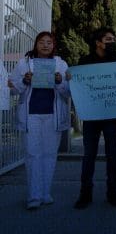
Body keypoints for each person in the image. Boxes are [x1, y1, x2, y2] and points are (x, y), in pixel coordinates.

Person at [8, 32, 71, 210]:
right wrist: (24, 80)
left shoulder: (61, 64)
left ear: (54, 45)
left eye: (49, 42)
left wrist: (60, 82)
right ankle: (33, 196)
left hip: (53, 116)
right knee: (33, 155)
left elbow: (68, 92)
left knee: (50, 155)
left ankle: (45, 193)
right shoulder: (24, 63)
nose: (45, 45)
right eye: (41, 42)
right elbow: (13, 90)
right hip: (31, 116)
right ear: (36, 44)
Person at [74, 28, 116, 209]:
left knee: (113, 155)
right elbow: (78, 84)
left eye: (114, 39)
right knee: (89, 155)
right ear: (98, 42)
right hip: (92, 116)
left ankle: (113, 192)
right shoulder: (85, 61)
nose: (112, 42)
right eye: (108, 39)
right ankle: (85, 193)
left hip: (112, 116)